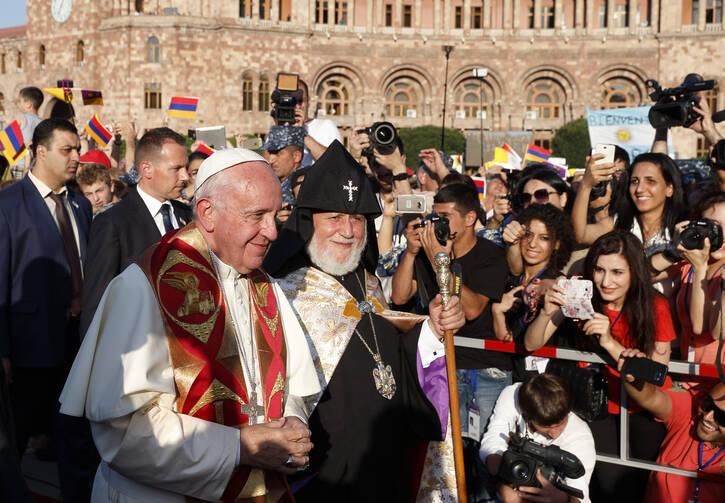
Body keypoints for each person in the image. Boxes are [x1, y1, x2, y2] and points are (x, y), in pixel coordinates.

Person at [60, 148, 321, 502]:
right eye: (257, 215)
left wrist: (289, 425)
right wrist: (239, 446)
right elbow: (123, 430)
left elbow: (292, 385)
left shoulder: (266, 286)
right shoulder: (143, 287)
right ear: (207, 213)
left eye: (276, 215)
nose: (272, 232)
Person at [264, 140, 466, 502]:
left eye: (357, 219)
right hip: (324, 469)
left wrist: (431, 329)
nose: (347, 231)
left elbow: (394, 354)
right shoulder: (285, 291)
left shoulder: (369, 282)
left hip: (384, 457)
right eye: (335, 218)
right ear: (310, 223)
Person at [525, 230, 675, 503]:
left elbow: (656, 376)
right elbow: (531, 344)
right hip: (598, 407)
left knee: (640, 486)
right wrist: (547, 313)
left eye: (617, 272)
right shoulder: (581, 294)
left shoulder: (655, 306)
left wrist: (609, 342)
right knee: (607, 485)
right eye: (599, 270)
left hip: (643, 412)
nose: (606, 281)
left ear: (635, 271)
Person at [0, 118, 93, 500]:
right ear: (40, 152)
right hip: (26, 350)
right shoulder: (8, 204)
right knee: (13, 444)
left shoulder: (81, 204)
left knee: (74, 441)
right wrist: (2, 349)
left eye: (77, 150)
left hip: (76, 345)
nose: (76, 158)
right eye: (67, 150)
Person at [80, 127, 193, 337]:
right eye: (176, 168)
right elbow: (97, 304)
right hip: (136, 348)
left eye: (185, 167)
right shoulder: (113, 223)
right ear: (147, 169)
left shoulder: (188, 216)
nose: (185, 176)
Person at [617, 348, 725, 503]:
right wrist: (634, 378)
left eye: (722, 417)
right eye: (708, 404)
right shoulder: (692, 406)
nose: (708, 417)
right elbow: (650, 398)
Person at [480, 373, 596, 503]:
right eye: (546, 427)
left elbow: (581, 497)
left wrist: (563, 499)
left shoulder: (580, 437)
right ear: (527, 414)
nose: (554, 433)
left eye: (561, 423)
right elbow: (492, 442)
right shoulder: (513, 395)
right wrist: (502, 485)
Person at [491, 204, 575, 382]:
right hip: (510, 378)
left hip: (546, 384)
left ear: (557, 244)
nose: (532, 243)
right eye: (528, 234)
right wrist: (497, 313)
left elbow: (531, 344)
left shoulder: (558, 283)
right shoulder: (510, 277)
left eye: (544, 238)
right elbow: (507, 338)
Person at [260, 125, 305, 220]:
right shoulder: (275, 180)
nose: (271, 160)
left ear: (296, 156)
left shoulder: (303, 183)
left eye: (278, 153)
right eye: (270, 153)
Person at [295, 79, 342, 166]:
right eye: (291, 101)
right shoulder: (278, 129)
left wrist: (302, 133)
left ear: (308, 101)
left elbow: (335, 162)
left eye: (300, 100)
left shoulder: (326, 126)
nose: (296, 106)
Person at [12, 86, 43, 178]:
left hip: (19, 165)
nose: (18, 104)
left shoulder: (21, 118)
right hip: (35, 167)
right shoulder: (43, 122)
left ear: (28, 104)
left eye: (19, 101)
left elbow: (4, 140)